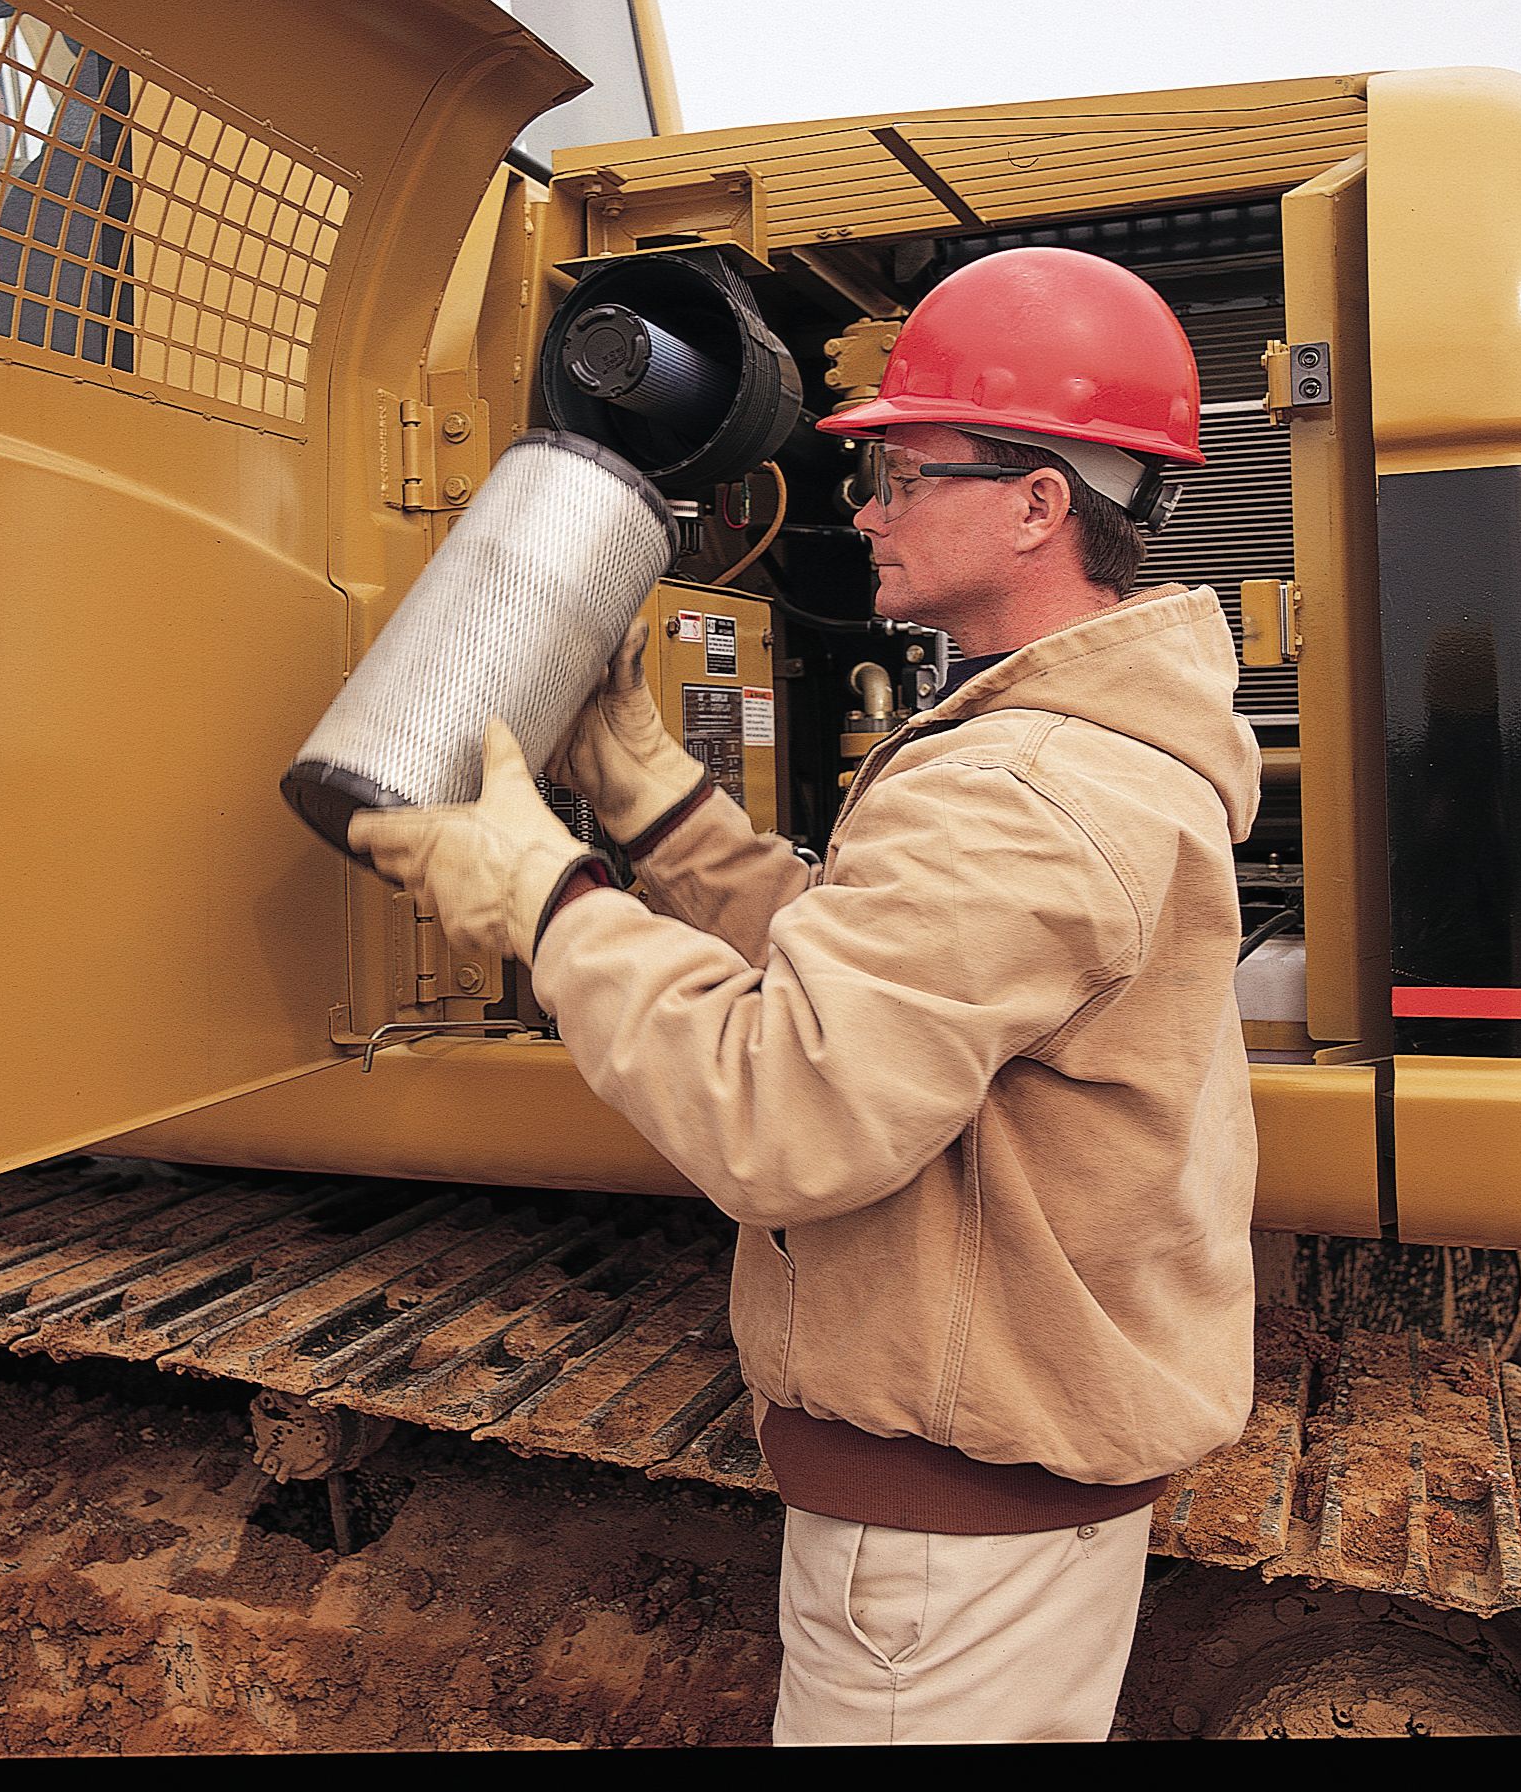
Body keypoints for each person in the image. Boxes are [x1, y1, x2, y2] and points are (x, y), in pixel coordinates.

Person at [349, 247, 1262, 1744]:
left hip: (946, 1543)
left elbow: (787, 1106)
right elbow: (873, 962)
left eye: (901, 474)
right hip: (1007, 1487)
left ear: (1038, 504)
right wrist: (645, 793)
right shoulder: (1081, 747)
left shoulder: (1023, 786)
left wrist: (539, 895)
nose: (865, 510)